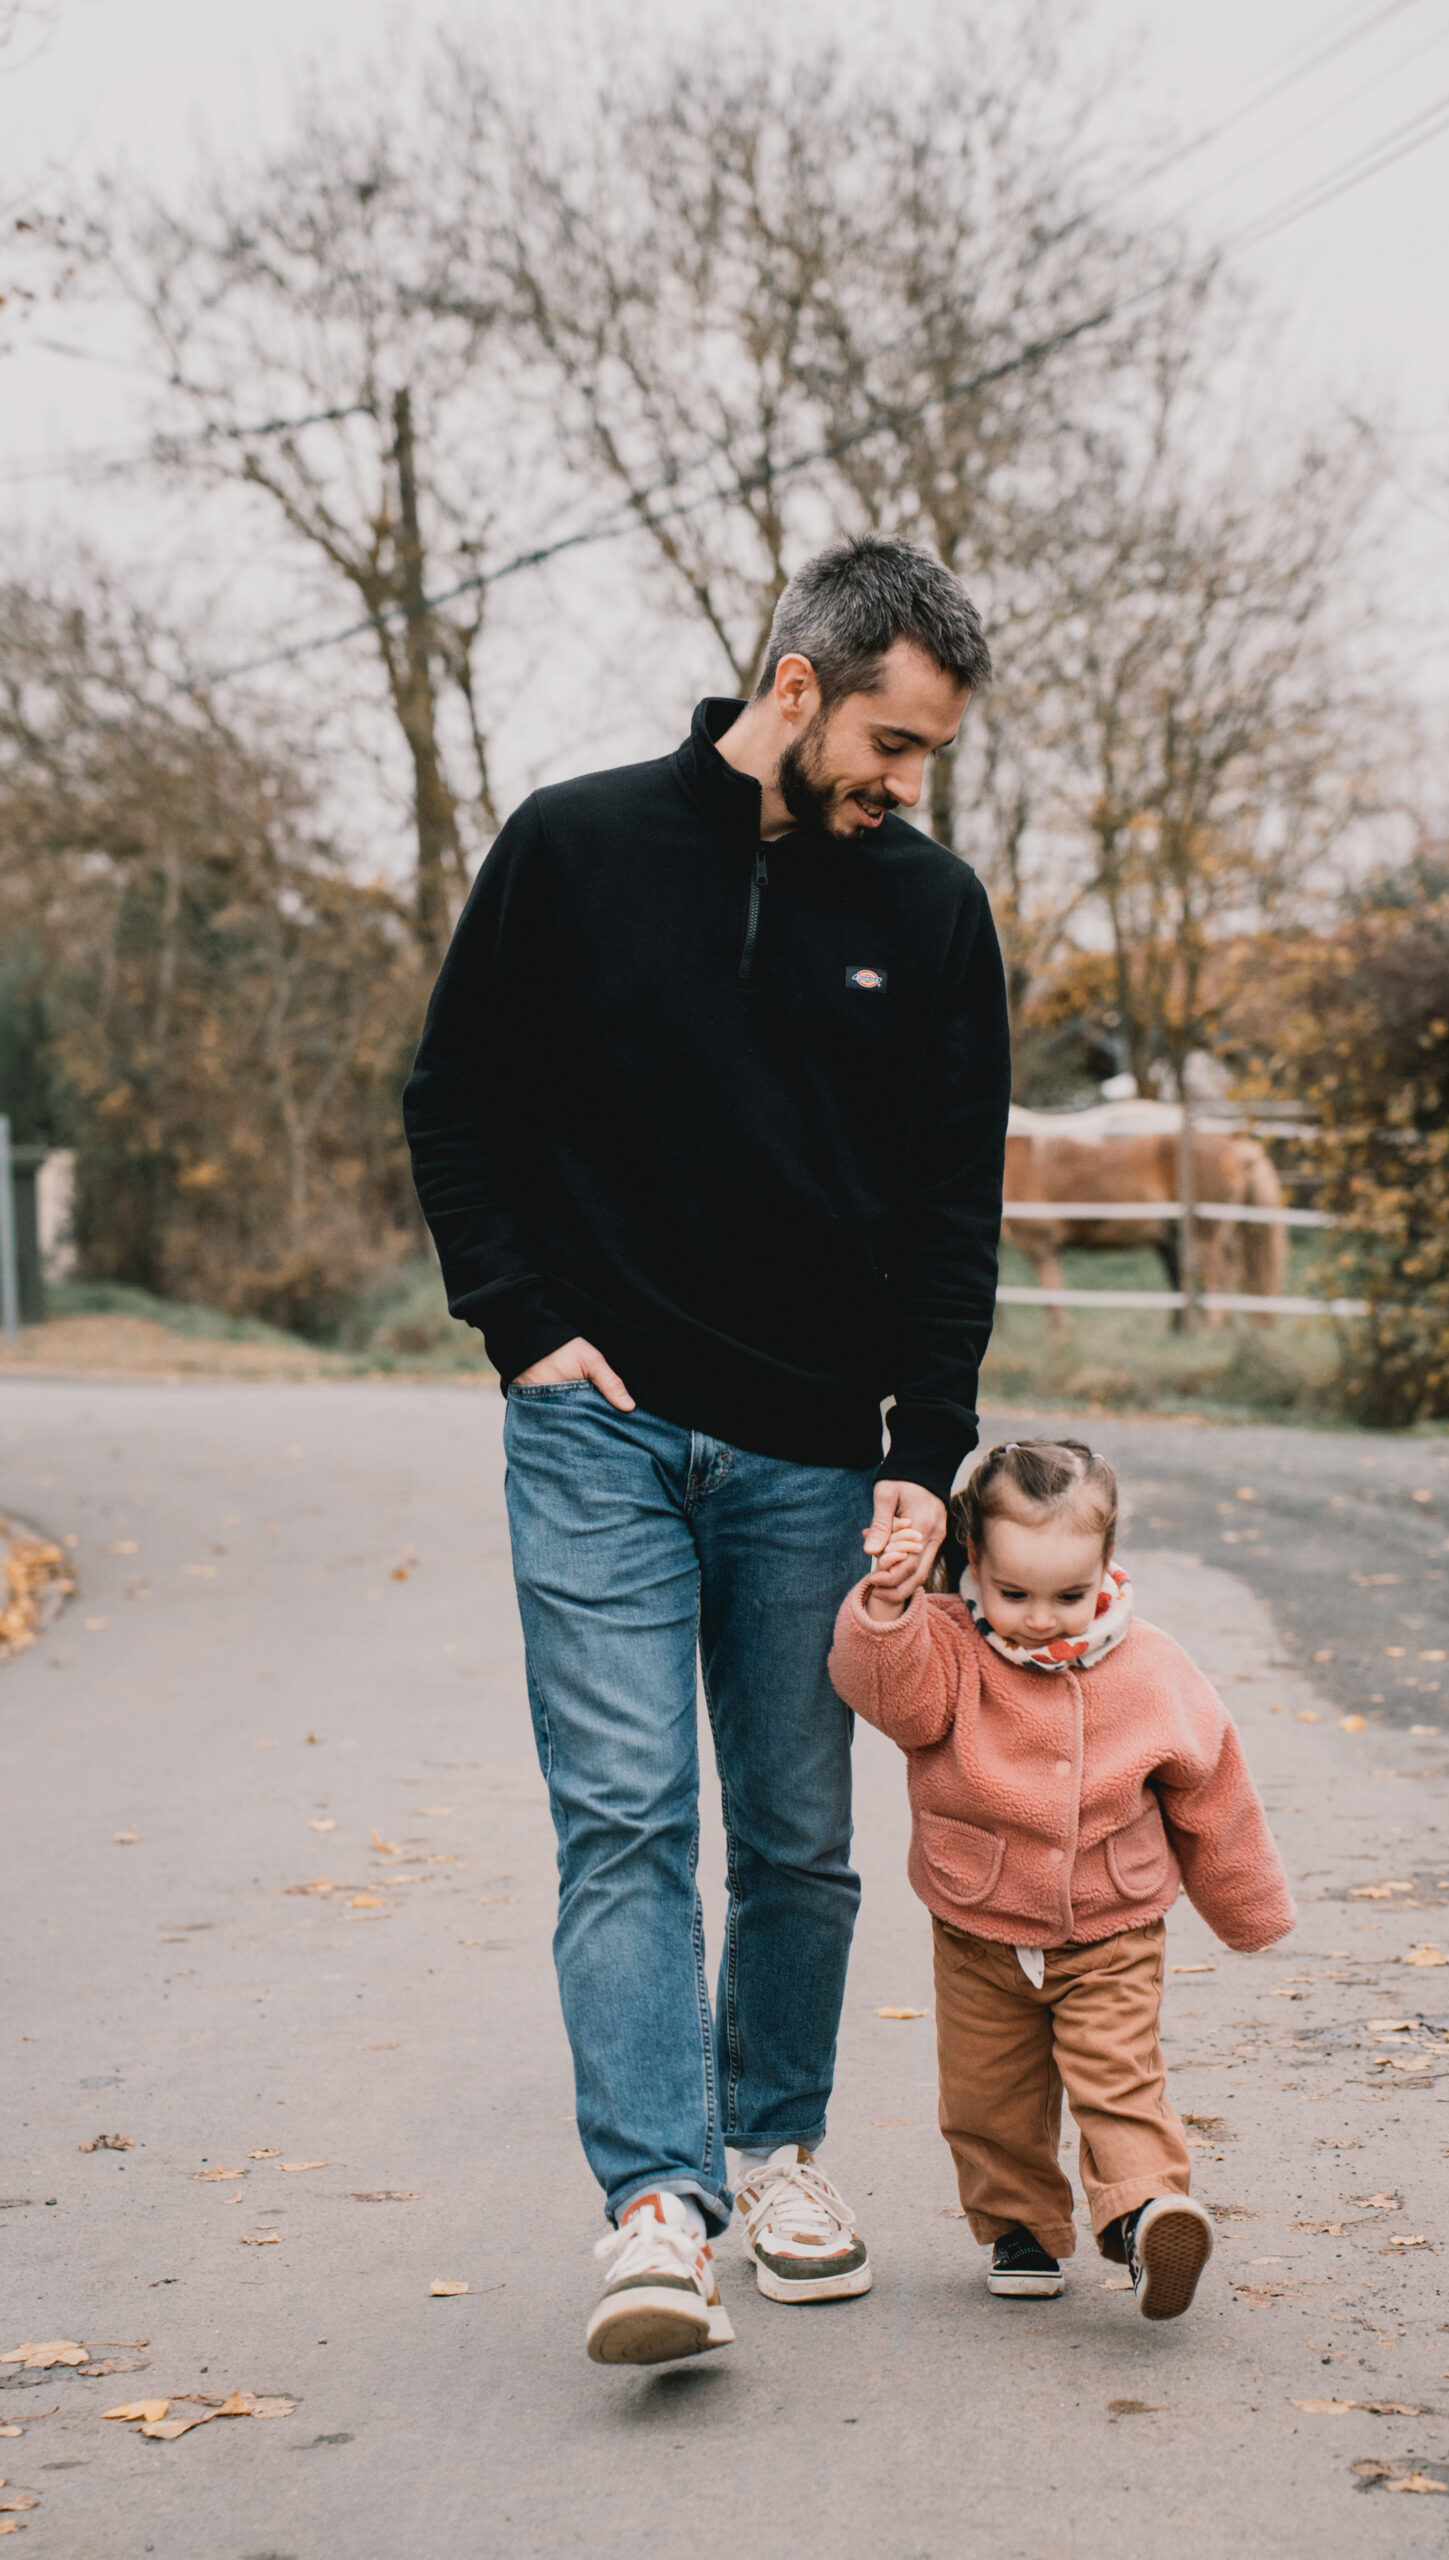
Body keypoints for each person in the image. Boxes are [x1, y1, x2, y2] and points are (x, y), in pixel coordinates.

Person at [403, 535, 1010, 2366]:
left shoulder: (930, 911)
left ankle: (778, 2155)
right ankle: (653, 2210)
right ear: (798, 686)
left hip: (816, 1453)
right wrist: (522, 1325)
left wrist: (928, 1446)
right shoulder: (572, 846)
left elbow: (945, 1205)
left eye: (930, 761)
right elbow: (456, 1099)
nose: (908, 787)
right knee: (623, 1824)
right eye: (893, 744)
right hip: (593, 1431)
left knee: (801, 1834)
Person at [828, 1438, 1294, 2315]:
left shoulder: (1150, 1664)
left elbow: (1213, 1787)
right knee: (987, 2095)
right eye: (1013, 1594)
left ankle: (1146, 2212)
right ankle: (1021, 2230)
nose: (1041, 1617)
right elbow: (887, 1698)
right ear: (972, 1564)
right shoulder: (946, 1645)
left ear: (1106, 1566)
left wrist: (1247, 1906)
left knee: (1119, 2078)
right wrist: (888, 1608)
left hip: (1112, 1922)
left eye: (1069, 1595)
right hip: (978, 1923)